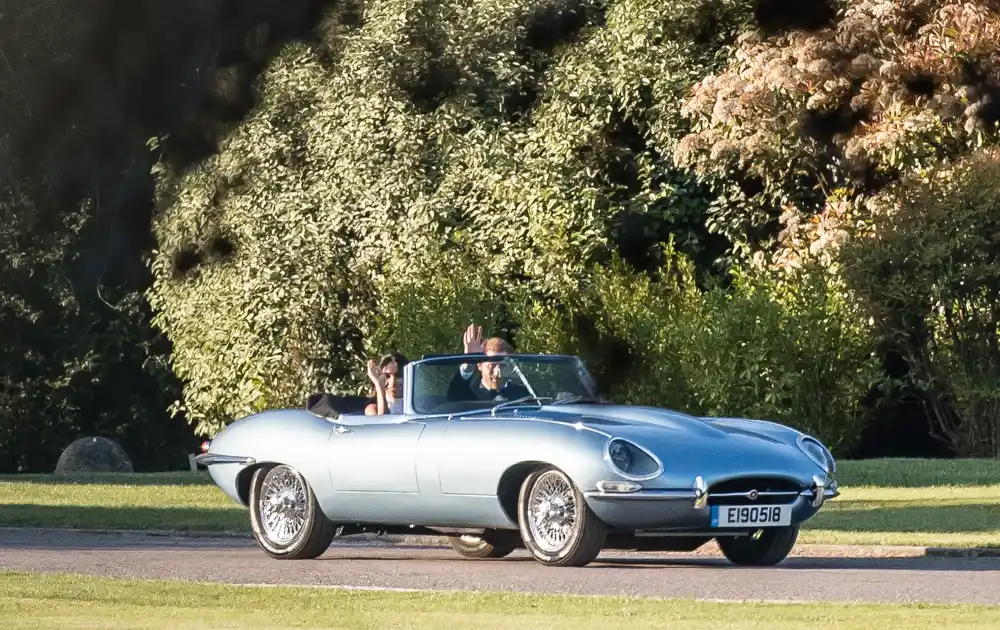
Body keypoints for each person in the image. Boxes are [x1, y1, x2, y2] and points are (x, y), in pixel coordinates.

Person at [449, 324, 530, 402]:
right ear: (480, 365)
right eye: (493, 365)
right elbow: (453, 398)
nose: (498, 371)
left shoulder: (522, 395)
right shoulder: (468, 395)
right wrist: (468, 365)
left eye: (503, 365)